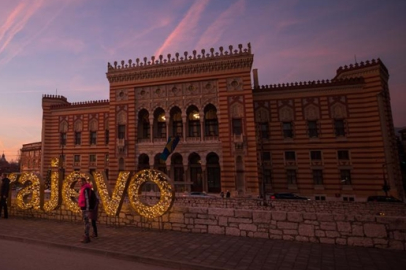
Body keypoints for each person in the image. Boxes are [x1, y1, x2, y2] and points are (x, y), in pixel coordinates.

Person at [77, 177, 95, 243]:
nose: (79, 183)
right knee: (86, 222)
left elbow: (87, 199)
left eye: (81, 181)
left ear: (84, 181)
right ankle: (86, 235)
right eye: (78, 182)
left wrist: (87, 209)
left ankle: (86, 237)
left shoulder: (86, 189)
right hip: (83, 207)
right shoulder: (83, 188)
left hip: (85, 208)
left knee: (86, 223)